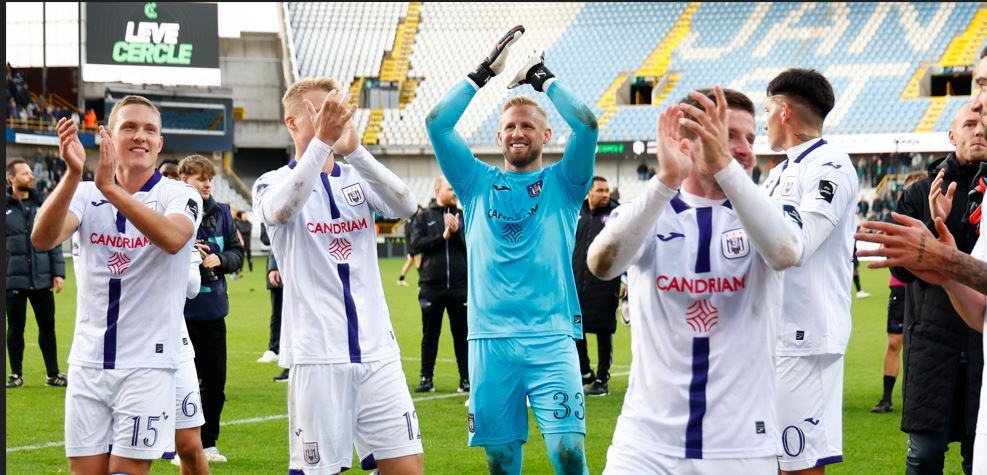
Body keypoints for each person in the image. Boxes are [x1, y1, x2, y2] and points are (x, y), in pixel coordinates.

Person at [589, 86, 803, 474]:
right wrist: (666, 179)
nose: (744, 149)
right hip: (645, 444)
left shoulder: (769, 210)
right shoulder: (649, 209)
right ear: (685, 143)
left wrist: (725, 167)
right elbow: (602, 264)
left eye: (749, 139)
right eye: (728, 136)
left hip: (740, 447)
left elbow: (785, 252)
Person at [425, 25, 598, 474]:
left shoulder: (564, 184)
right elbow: (437, 123)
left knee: (569, 455)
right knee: (501, 463)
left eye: (528, 126)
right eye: (509, 127)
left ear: (545, 137)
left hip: (552, 340)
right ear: (498, 137)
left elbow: (587, 123)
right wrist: (484, 73)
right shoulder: (475, 183)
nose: (517, 132)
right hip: (489, 341)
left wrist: (542, 78)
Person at [253, 77, 422, 474]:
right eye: (321, 112)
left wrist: (356, 151)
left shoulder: (356, 177)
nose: (335, 118)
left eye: (338, 110)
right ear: (292, 122)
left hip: (378, 353)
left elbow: (407, 204)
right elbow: (280, 211)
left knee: (408, 468)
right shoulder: (271, 182)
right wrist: (321, 145)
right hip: (318, 356)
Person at [33, 98, 202, 475]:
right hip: (88, 362)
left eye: (149, 130)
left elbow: (174, 238)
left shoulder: (179, 195)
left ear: (160, 143)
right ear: (107, 136)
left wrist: (111, 190)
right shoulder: (83, 192)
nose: (140, 136)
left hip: (148, 364)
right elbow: (43, 238)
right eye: (129, 127)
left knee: (129, 469)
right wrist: (74, 175)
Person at [855, 44, 987, 475]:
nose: (977, 130)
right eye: (968, 123)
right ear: (951, 135)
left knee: (977, 453)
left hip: (981, 338)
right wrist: (933, 229)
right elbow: (898, 267)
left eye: (983, 123)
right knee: (926, 455)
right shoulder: (918, 192)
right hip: (934, 336)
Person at [760, 68, 858, 474]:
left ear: (784, 111)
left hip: (807, 337)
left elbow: (800, 245)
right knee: (774, 460)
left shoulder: (830, 164)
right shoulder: (778, 172)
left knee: (801, 464)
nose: (762, 120)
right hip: (774, 334)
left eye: (766, 110)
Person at [178, 154, 244, 463]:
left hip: (214, 311)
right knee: (182, 383)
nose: (206, 183)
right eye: (199, 178)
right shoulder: (173, 211)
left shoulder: (223, 214)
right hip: (180, 315)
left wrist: (220, 259)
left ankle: (208, 442)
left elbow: (237, 253)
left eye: (209, 178)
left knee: (216, 382)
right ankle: (175, 444)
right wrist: (189, 250)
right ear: (184, 181)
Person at [6, 158, 67, 388]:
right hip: (13, 279)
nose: (31, 177)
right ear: (12, 179)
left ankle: (53, 374)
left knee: (47, 327)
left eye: (31, 173)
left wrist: (58, 272)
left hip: (41, 278)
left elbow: (54, 239)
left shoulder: (44, 204)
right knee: (14, 328)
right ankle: (15, 374)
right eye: (25, 174)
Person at [871, 171, 927, 414]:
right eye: (910, 190)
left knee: (925, 344)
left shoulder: (935, 217)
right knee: (895, 342)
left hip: (928, 289)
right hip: (901, 289)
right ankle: (886, 398)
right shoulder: (895, 221)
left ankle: (921, 398)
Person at [409, 176, 469, 394]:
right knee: (430, 334)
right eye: (449, 188)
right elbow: (415, 245)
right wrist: (443, 236)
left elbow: (473, 245)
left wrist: (456, 234)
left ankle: (466, 379)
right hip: (431, 287)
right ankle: (426, 378)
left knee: (462, 334)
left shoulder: (464, 215)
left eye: (455, 188)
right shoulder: (423, 218)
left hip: (460, 286)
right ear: (437, 191)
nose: (453, 192)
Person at [571, 176, 620, 397]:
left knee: (603, 331)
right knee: (575, 329)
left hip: (605, 284)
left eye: (607, 190)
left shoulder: (616, 214)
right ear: (589, 192)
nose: (605, 194)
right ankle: (585, 373)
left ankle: (602, 379)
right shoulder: (576, 212)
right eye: (600, 190)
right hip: (577, 282)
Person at [256, 222, 289, 383]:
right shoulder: (270, 209)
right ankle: (274, 349)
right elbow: (268, 237)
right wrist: (273, 266)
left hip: (294, 266)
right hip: (278, 263)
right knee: (277, 312)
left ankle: (290, 362)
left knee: (295, 315)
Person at [398, 205, 424, 286]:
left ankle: (401, 279)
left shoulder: (409, 219)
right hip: (413, 244)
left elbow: (407, 233)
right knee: (418, 261)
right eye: (420, 209)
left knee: (410, 262)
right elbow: (411, 233)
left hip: (411, 243)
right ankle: (422, 282)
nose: (420, 211)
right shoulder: (414, 219)